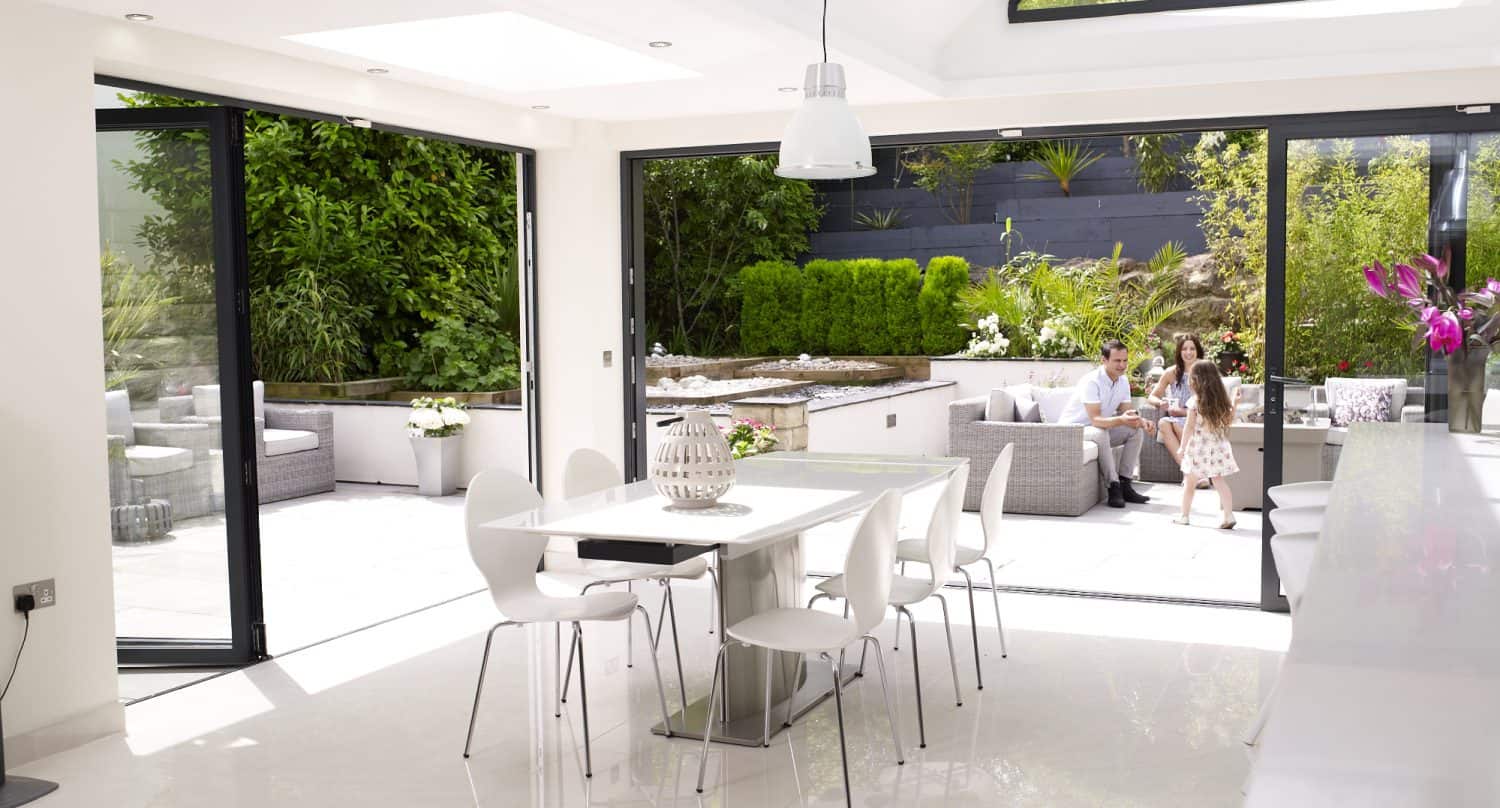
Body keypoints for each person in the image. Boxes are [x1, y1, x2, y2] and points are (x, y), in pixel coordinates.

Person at [1057, 339, 1156, 509]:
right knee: (1100, 431)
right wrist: (1122, 420)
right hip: (1073, 431)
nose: (1122, 365)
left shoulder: (1123, 380)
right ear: (1104, 360)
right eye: (1117, 360)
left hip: (1097, 429)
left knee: (1134, 431)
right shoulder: (1091, 381)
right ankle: (1113, 486)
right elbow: (1096, 420)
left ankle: (1125, 484)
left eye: (1125, 360)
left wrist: (1141, 421)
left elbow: (1127, 413)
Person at [1173, 359, 1240, 529]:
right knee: (1219, 481)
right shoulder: (1221, 401)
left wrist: (1182, 447)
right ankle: (1228, 515)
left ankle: (1184, 515)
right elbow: (1228, 421)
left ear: (1196, 380)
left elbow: (1188, 427)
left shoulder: (1195, 402)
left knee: (1189, 482)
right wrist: (1235, 404)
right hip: (1218, 446)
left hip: (1198, 448)